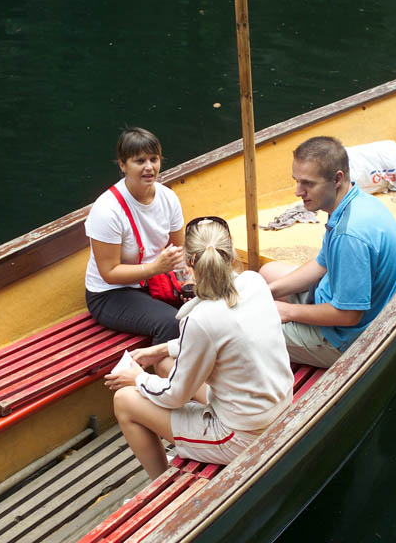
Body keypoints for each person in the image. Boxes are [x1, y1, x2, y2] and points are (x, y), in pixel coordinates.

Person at [105, 217, 294, 479]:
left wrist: (138, 379)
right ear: (230, 256)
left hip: (240, 435)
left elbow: (175, 396)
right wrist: (161, 351)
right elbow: (222, 337)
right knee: (164, 364)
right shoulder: (253, 281)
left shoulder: (200, 318)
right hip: (275, 407)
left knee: (124, 401)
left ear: (189, 263)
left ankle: (161, 483)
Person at [260, 136, 396, 368]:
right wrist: (268, 292)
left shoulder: (349, 235)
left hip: (349, 338)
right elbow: (322, 264)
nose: (298, 192)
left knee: (249, 332)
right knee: (268, 273)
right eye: (297, 181)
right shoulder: (355, 200)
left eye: (308, 183)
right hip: (343, 300)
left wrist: (288, 311)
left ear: (337, 179)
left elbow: (349, 316)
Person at [85, 127, 185, 345]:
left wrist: (190, 279)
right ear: (123, 165)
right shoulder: (107, 210)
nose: (149, 167)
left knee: (208, 306)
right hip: (111, 294)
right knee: (171, 322)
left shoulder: (168, 197)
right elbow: (109, 273)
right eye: (139, 161)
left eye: (154, 159)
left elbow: (178, 249)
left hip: (154, 281)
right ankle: (156, 375)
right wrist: (155, 268)